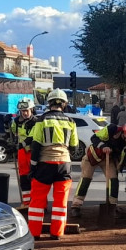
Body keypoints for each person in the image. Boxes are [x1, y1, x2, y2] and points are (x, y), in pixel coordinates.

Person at [27, 89, 79, 239]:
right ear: (64, 104)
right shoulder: (71, 122)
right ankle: (56, 233)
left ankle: (35, 233)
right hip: (64, 164)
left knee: (37, 200)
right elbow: (74, 147)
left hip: (44, 164)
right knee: (60, 202)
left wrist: (33, 166)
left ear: (49, 103)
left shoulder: (41, 120)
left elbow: (36, 145)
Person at [71, 120, 126, 216]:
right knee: (85, 179)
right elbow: (94, 138)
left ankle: (112, 206)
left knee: (113, 180)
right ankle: (76, 206)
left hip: (108, 159)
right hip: (92, 157)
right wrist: (103, 146)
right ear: (125, 133)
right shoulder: (112, 129)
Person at [11, 99, 37, 209]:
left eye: (26, 110)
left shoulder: (36, 121)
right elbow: (12, 133)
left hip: (33, 151)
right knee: (24, 177)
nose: (24, 113)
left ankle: (38, 203)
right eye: (22, 111)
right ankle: (26, 203)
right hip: (22, 152)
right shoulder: (17, 121)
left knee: (36, 178)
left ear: (31, 109)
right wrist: (7, 124)